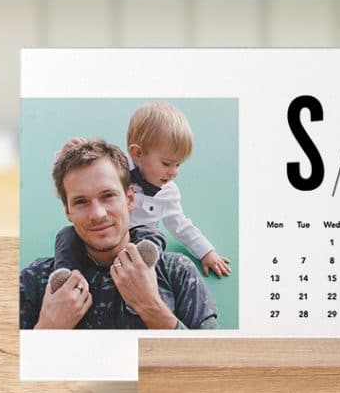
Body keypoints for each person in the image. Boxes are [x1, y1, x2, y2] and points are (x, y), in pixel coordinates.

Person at [20, 139, 219, 331]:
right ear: (68, 212)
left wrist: (150, 306)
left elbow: (213, 362)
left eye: (108, 196)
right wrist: (47, 329)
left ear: (130, 198)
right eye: (81, 202)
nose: (98, 214)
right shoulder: (36, 279)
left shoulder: (177, 272)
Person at [52, 102, 231, 281]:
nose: (174, 172)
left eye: (178, 164)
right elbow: (75, 183)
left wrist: (206, 251)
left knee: (153, 237)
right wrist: (67, 156)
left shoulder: (168, 194)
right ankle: (66, 276)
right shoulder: (114, 168)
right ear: (137, 153)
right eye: (167, 163)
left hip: (137, 243)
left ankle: (141, 269)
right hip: (101, 238)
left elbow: (180, 225)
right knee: (66, 235)